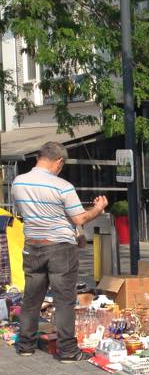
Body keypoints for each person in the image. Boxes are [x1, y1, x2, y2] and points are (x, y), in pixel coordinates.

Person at [13, 141, 108, 362]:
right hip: (60, 248)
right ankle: (67, 350)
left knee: (32, 297)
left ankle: (25, 344)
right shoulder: (62, 186)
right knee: (63, 299)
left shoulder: (18, 182)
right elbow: (79, 218)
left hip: (32, 246)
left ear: (39, 157)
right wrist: (98, 208)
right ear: (59, 161)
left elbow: (35, 214)